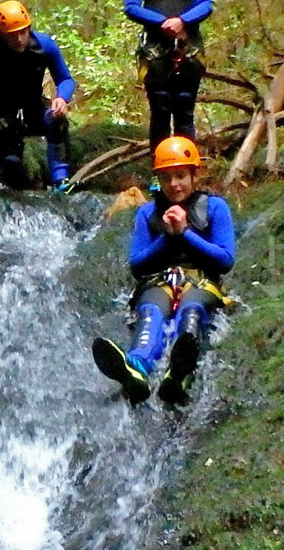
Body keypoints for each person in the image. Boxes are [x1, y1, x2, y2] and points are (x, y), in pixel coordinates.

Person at [91, 136, 235, 405]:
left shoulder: (215, 207)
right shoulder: (148, 213)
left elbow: (225, 260)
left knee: (191, 312)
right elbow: (138, 265)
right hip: (159, 281)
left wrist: (185, 233)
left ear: (194, 175)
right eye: (167, 178)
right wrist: (168, 237)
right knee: (150, 313)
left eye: (180, 176)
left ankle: (179, 372)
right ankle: (136, 367)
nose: (174, 184)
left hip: (201, 282)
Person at [0, 0, 77, 191]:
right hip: (3, 115)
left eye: (23, 32)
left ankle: (61, 179)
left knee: (57, 120)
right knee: (11, 167)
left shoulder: (44, 45)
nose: (19, 39)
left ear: (29, 28)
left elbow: (66, 79)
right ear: (2, 35)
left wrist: (62, 98)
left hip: (34, 108)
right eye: (12, 35)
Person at [124, 0, 213, 157]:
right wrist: (163, 22)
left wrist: (182, 21)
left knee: (185, 109)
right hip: (155, 50)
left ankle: (187, 169)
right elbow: (131, 6)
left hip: (189, 48)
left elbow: (206, 4)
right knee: (161, 111)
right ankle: (159, 171)